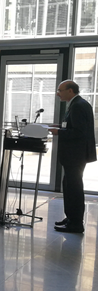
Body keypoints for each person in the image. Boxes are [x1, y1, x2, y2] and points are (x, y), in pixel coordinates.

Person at [50, 80, 97, 233]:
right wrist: (59, 127)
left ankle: (76, 223)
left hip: (75, 155)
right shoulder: (77, 104)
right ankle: (71, 218)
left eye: (60, 90)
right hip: (74, 155)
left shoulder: (78, 106)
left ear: (70, 91)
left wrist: (59, 132)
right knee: (69, 186)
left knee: (74, 188)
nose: (58, 94)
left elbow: (79, 132)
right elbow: (73, 127)